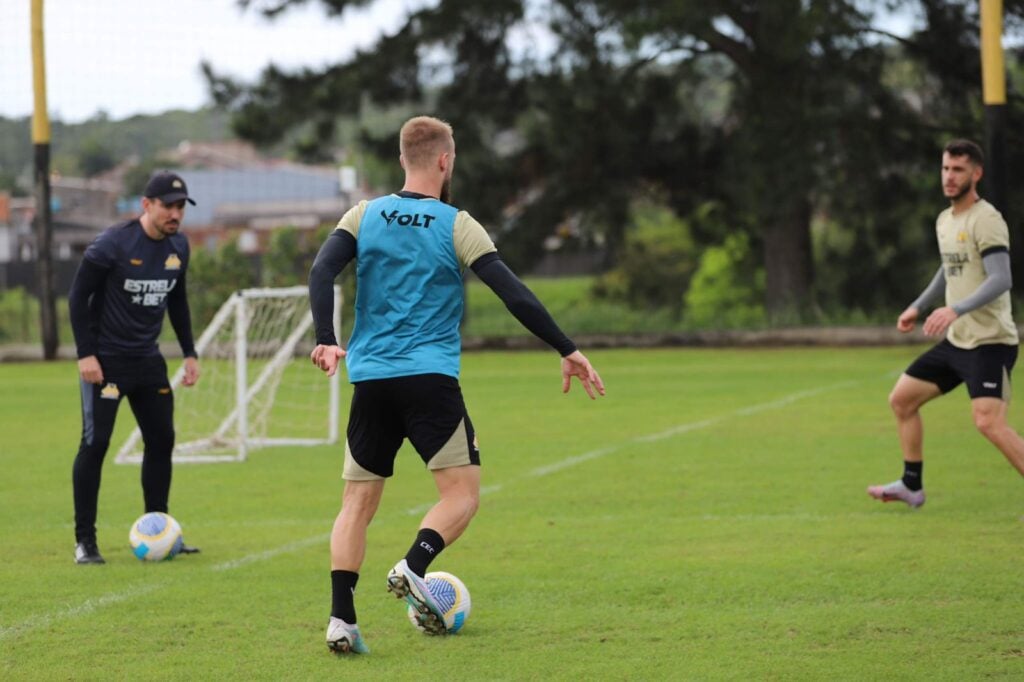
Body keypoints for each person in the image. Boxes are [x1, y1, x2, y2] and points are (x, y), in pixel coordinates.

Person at [308, 115, 605, 654]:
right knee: (462, 496)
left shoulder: (363, 214)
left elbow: (320, 272)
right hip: (428, 379)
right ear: (446, 160)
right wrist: (567, 347)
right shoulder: (456, 223)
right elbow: (511, 292)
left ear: (403, 158)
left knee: (356, 505)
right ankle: (413, 564)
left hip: (370, 377)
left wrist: (327, 337)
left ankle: (341, 620)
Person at [868, 139, 1024, 508]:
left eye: (958, 170)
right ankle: (911, 486)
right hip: (958, 343)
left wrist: (956, 310)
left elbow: (1001, 278)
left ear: (976, 174)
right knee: (902, 401)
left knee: (988, 423)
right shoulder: (945, 220)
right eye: (945, 169)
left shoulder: (986, 219)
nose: (949, 177)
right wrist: (918, 306)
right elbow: (949, 268)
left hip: (990, 342)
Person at [68, 171, 202, 563]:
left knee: (161, 441)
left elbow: (177, 301)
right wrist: (85, 354)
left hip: (148, 362)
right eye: (168, 206)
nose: (175, 214)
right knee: (95, 445)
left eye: (181, 207)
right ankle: (85, 542)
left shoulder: (179, 246)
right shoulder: (112, 244)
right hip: (106, 364)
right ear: (147, 205)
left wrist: (189, 352)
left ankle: (158, 531)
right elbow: (78, 298)